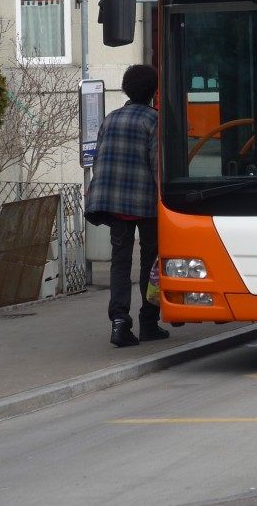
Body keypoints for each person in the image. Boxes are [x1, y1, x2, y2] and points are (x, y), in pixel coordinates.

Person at [85, 64, 169, 347]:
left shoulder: (111, 118)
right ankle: (148, 322)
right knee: (151, 262)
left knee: (120, 263)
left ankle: (119, 323)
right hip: (146, 206)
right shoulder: (153, 120)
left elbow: (100, 160)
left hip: (115, 205)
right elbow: (158, 168)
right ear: (154, 91)